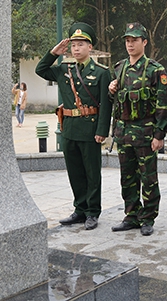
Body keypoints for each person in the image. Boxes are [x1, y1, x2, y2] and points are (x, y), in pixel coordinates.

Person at [35, 22, 113, 231]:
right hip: (69, 128)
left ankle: (92, 212)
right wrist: (53, 53)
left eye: (81, 44)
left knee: (92, 173)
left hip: (90, 129)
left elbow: (106, 104)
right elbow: (40, 69)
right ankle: (80, 209)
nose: (76, 48)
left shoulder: (102, 73)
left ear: (90, 47)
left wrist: (102, 131)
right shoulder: (63, 69)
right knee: (75, 172)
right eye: (73, 45)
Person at [108, 23, 167, 236]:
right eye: (127, 40)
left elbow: (163, 105)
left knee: (148, 178)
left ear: (144, 42)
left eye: (135, 40)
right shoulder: (119, 67)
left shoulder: (155, 70)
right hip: (124, 132)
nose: (130, 44)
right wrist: (111, 90)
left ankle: (148, 218)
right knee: (127, 176)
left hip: (145, 132)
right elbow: (117, 101)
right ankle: (131, 215)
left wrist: (159, 135)